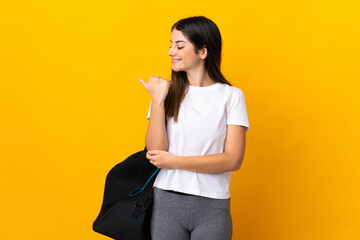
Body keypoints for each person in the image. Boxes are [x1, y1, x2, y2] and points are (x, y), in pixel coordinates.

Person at [137, 15, 250, 240]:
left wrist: (176, 161)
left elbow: (232, 160)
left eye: (179, 46)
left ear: (203, 52)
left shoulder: (231, 97)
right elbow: (156, 152)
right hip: (167, 202)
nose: (171, 51)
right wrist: (158, 100)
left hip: (213, 205)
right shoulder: (165, 92)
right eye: (170, 45)